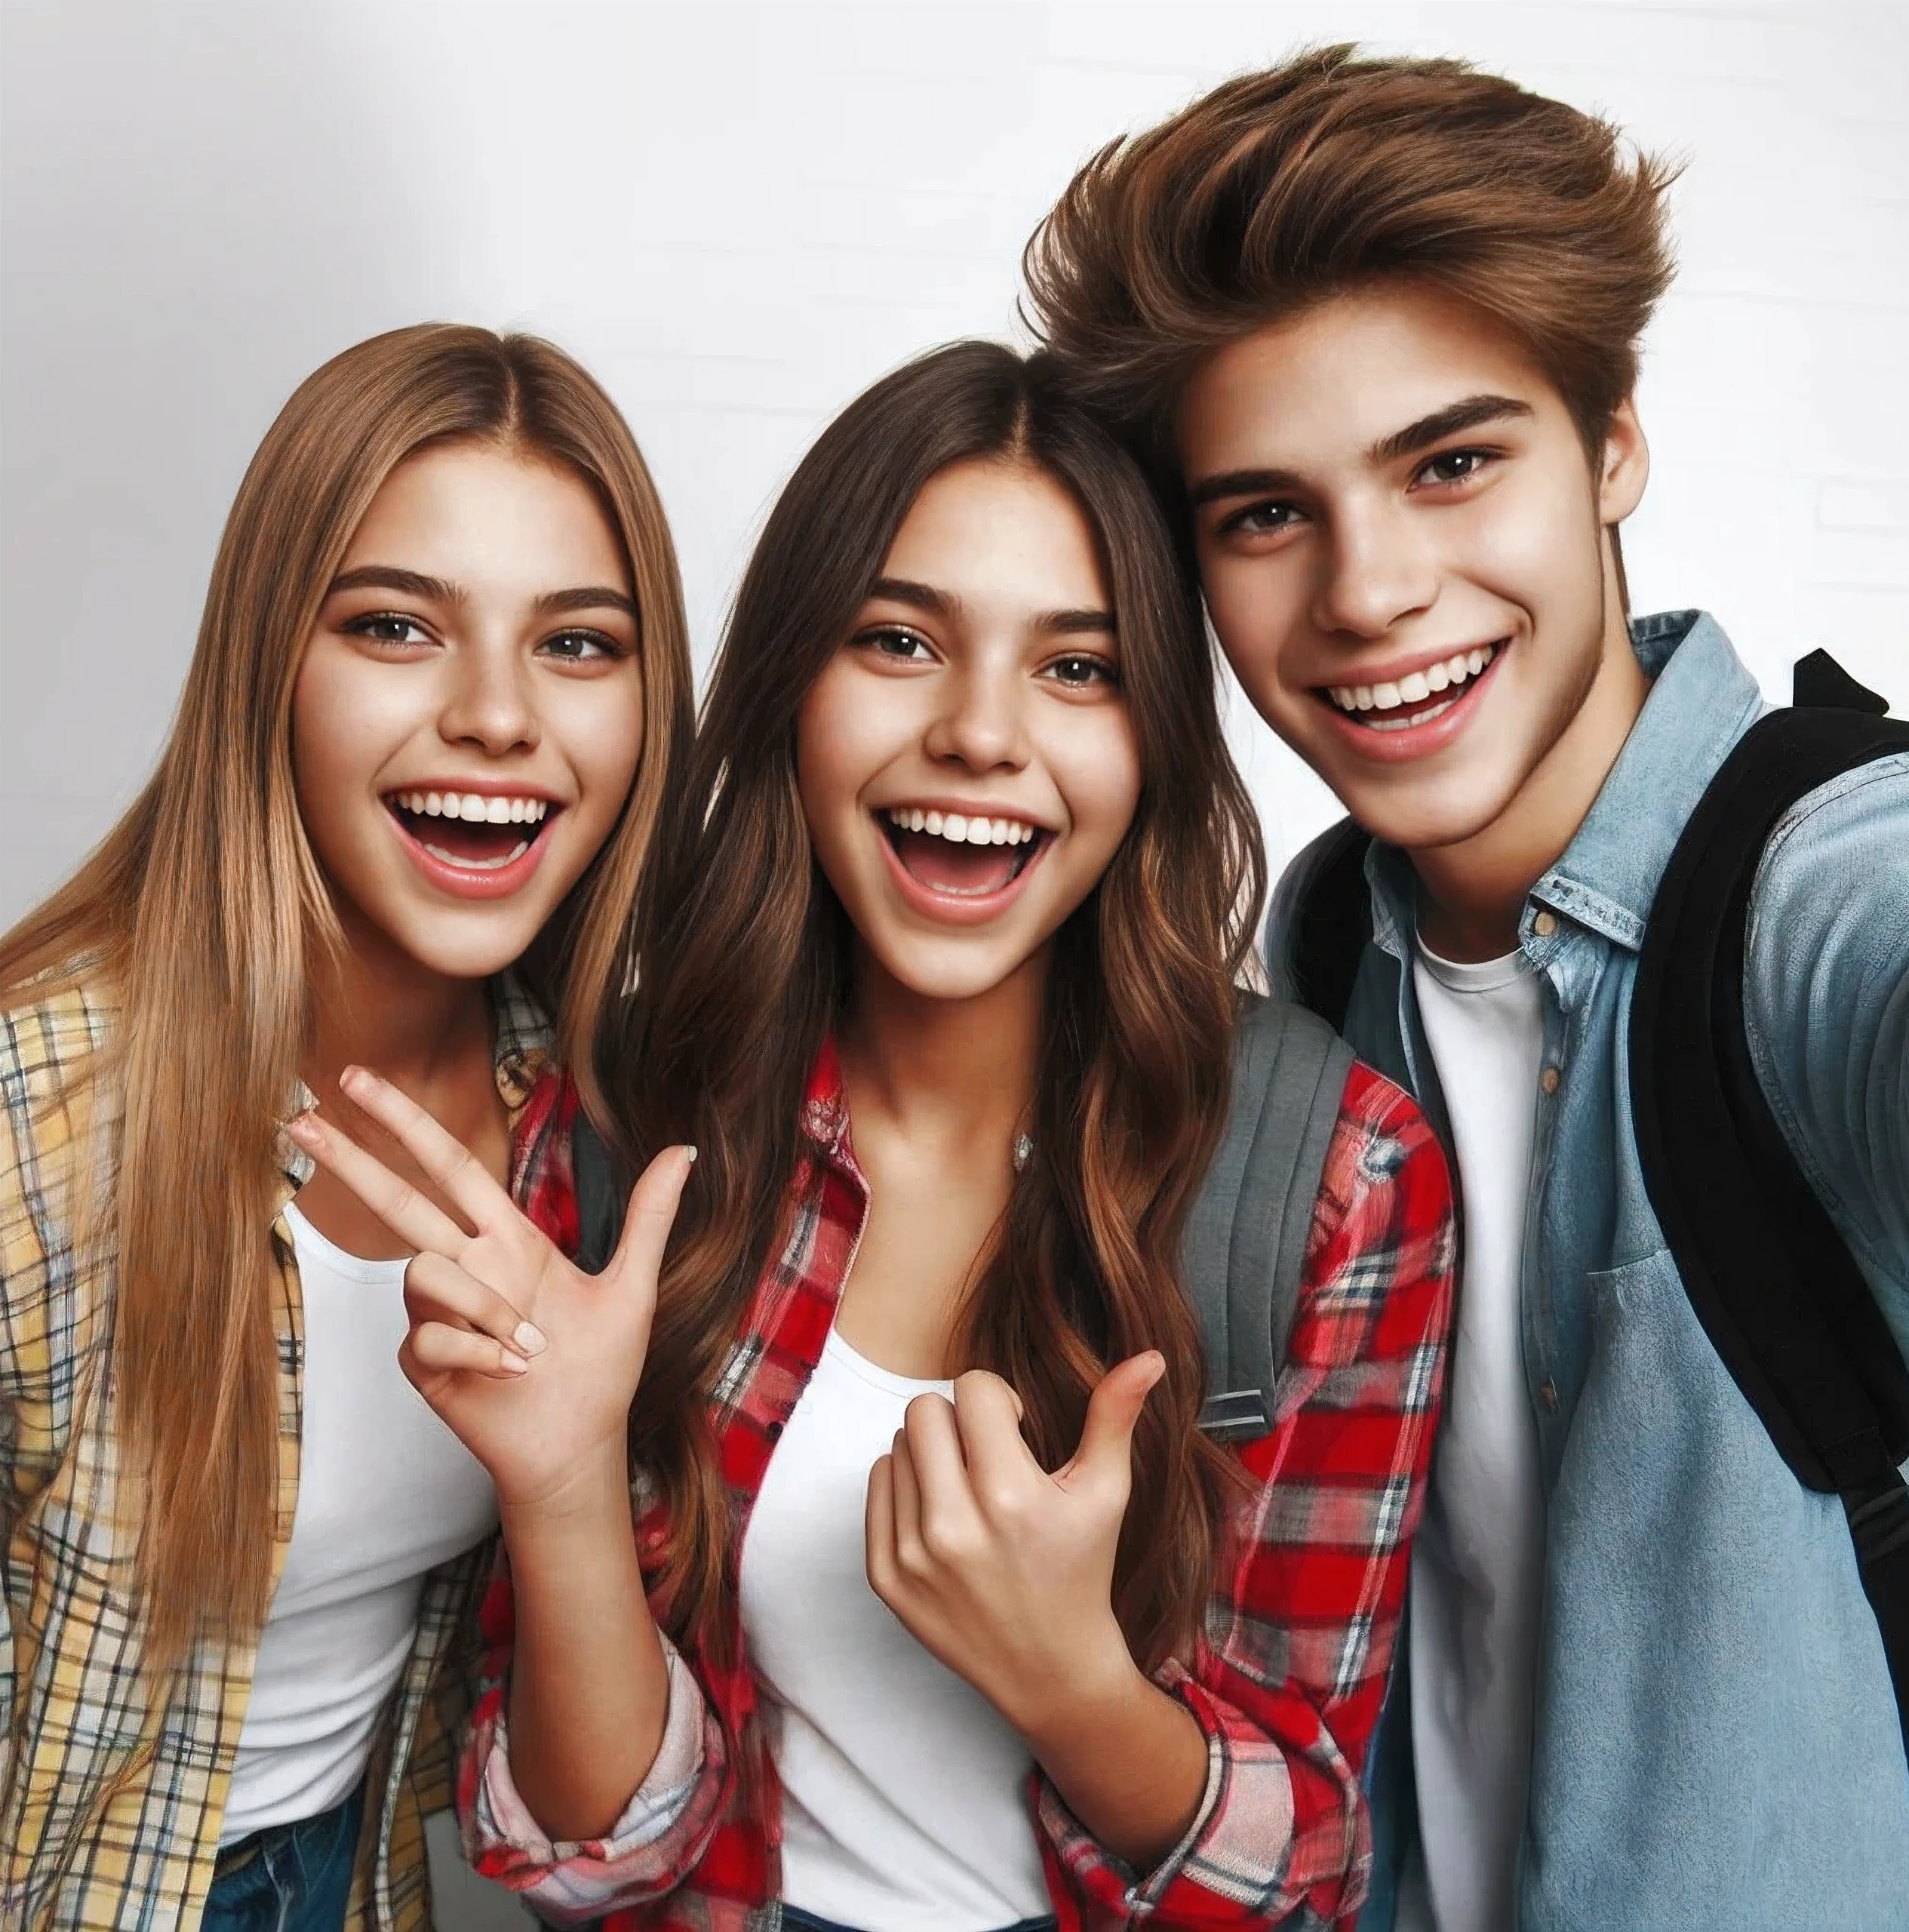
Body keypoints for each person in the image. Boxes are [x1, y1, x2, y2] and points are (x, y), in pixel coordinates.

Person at [291, 341, 1456, 1931]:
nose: (979, 735)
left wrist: (1071, 1683)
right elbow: (586, 1857)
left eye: (1076, 666)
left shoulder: (1328, 1177)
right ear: (791, 683)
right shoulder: (638, 1114)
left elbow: (1303, 1873)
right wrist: (562, 1483)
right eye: (900, 639)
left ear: (1157, 740)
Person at [1023, 42, 1909, 1932]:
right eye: (1264, 513)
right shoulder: (1324, 961)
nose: (1366, 590)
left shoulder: (1813, 893)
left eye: (1450, 462)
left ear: (1608, 442)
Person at [0, 323, 694, 1931]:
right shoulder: (37, 1121)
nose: (499, 716)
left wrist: (573, 1471)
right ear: (270, 662)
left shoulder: (599, 1124)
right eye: (397, 625)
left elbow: (607, 1850)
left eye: (579, 644)